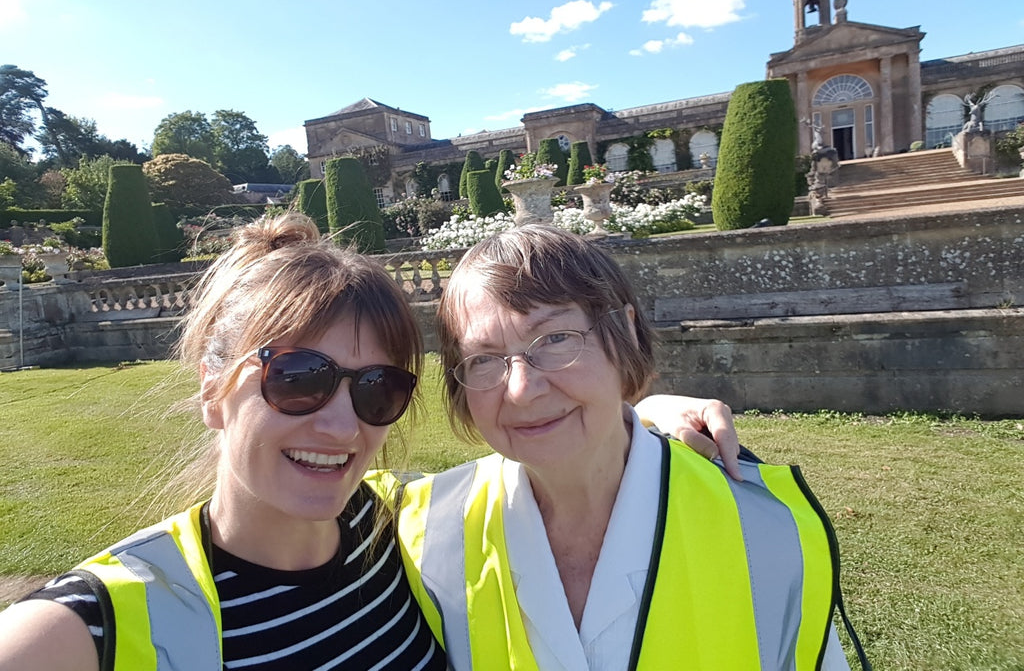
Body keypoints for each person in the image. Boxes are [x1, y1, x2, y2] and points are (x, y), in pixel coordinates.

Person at [0, 213, 738, 670]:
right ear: (211, 388)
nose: (341, 425)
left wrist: (637, 409)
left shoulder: (399, 529)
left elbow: (556, 444)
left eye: (377, 388)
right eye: (299, 378)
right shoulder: (89, 625)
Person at [384, 224, 870, 671]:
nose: (521, 389)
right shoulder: (421, 531)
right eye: (484, 359)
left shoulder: (765, 528)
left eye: (555, 338)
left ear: (627, 330)